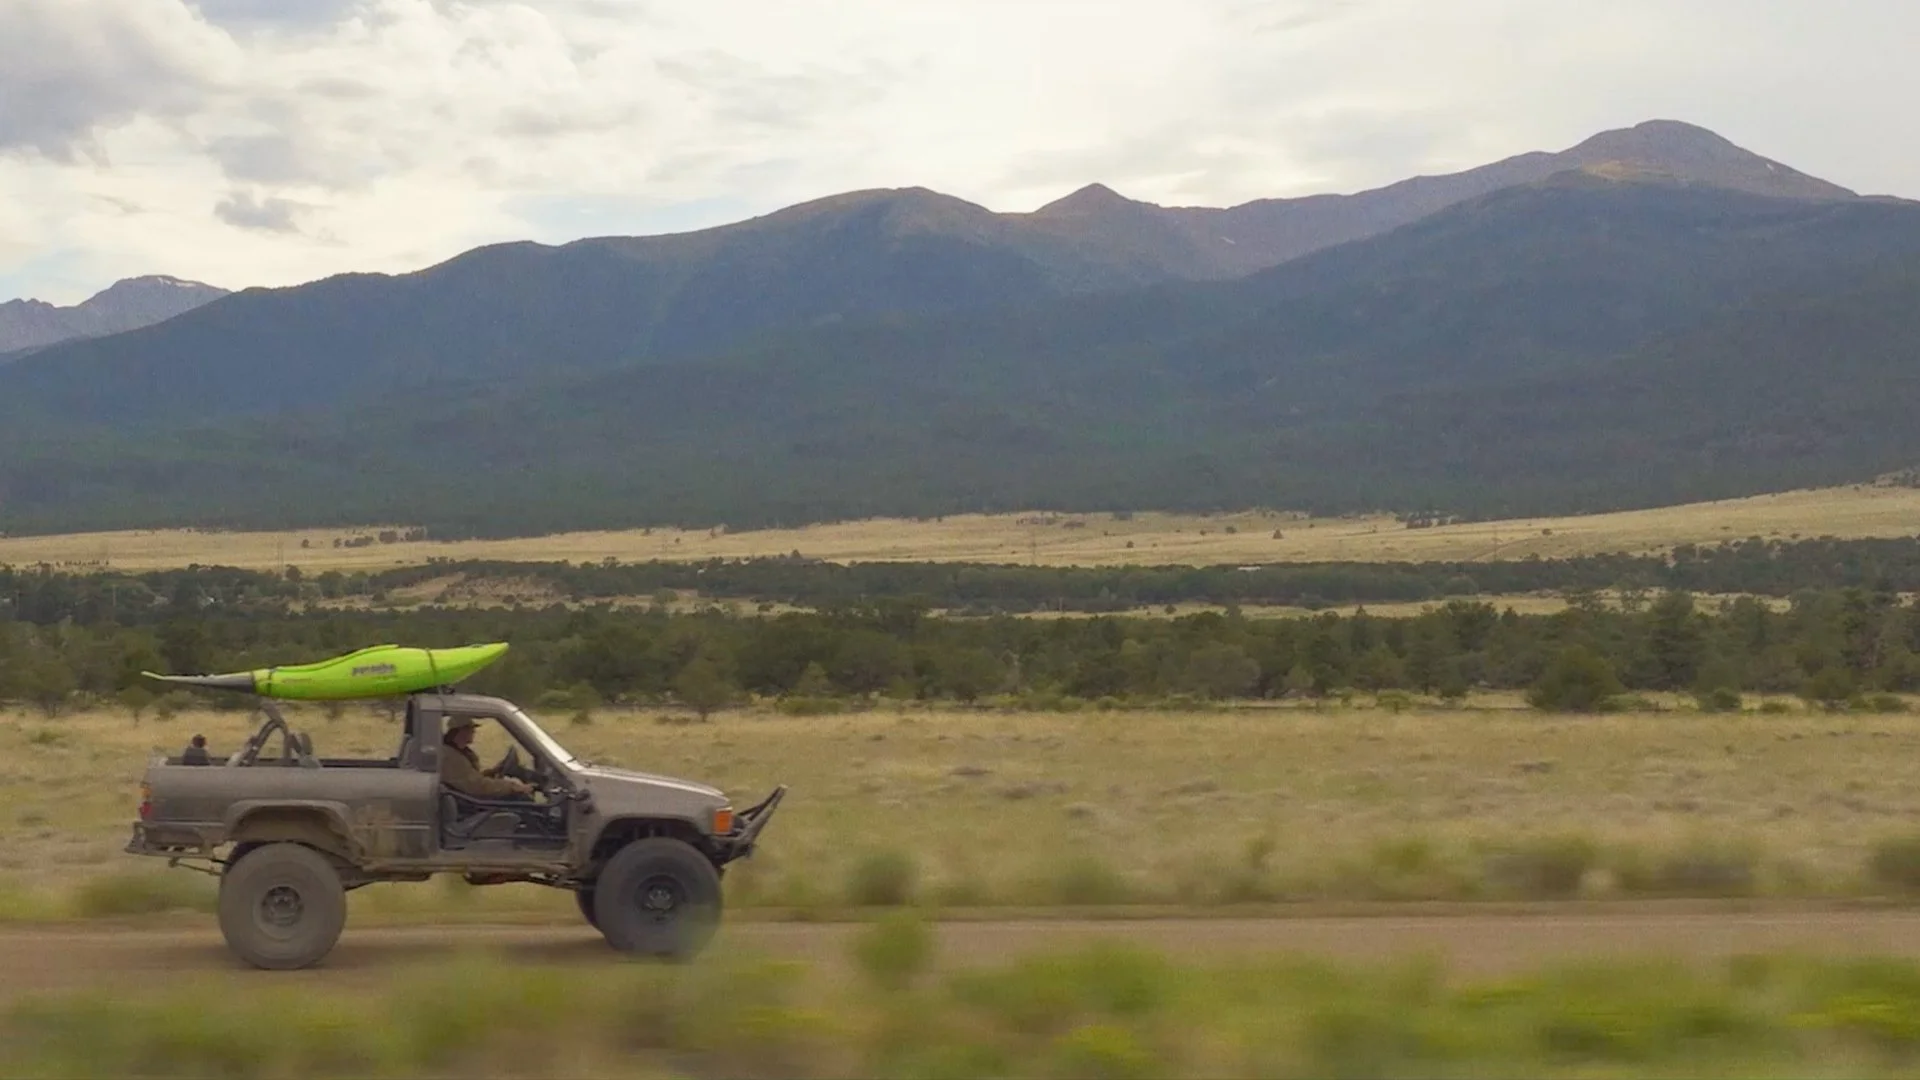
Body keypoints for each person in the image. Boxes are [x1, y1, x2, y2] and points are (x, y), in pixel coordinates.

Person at [439, 715, 534, 799]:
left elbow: (470, 778)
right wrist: (511, 787)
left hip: (470, 799)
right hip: (470, 804)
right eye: (469, 728)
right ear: (459, 731)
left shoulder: (459, 752)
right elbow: (477, 786)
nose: (473, 731)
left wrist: (493, 772)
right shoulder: (450, 756)